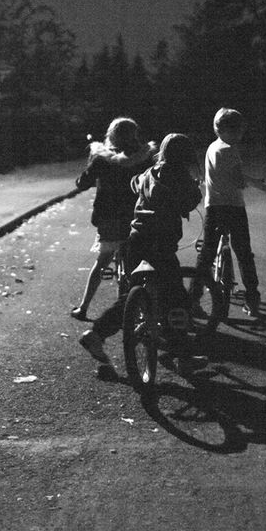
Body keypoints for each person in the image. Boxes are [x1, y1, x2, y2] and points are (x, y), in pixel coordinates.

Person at [79, 133, 203, 364]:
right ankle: (182, 356)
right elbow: (189, 201)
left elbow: (133, 183)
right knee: (177, 297)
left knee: (133, 293)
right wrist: (192, 191)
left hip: (136, 240)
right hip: (161, 242)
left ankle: (96, 334)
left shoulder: (149, 173)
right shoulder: (180, 176)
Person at [194, 107, 266, 319]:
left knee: (207, 254)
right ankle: (252, 299)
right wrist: (263, 188)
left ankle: (193, 298)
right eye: (238, 131)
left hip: (214, 206)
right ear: (225, 130)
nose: (240, 135)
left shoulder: (212, 147)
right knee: (244, 254)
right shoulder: (229, 150)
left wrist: (261, 186)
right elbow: (238, 178)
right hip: (233, 207)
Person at [71, 117, 156, 321]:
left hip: (108, 218)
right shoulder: (144, 157)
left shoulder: (102, 159)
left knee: (102, 262)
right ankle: (142, 307)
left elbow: (82, 183)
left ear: (111, 136)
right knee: (136, 262)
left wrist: (90, 170)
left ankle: (83, 307)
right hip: (136, 217)